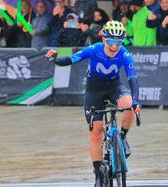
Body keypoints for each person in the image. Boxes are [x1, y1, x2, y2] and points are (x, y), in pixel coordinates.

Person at [46, 20, 142, 187]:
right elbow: (72, 59)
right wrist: (55, 59)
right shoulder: (95, 49)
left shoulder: (124, 54)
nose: (115, 46)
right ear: (104, 39)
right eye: (111, 41)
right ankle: (98, 173)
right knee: (96, 133)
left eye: (119, 42)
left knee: (129, 106)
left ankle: (123, 138)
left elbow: (132, 78)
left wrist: (135, 100)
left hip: (114, 86)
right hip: (94, 91)